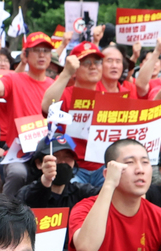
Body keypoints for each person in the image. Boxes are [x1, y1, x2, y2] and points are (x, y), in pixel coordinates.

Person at [0, 32, 56, 195]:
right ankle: (6, 210)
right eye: (37, 50)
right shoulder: (14, 79)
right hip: (18, 153)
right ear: (25, 55)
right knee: (17, 174)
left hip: (47, 152)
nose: (42, 54)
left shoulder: (54, 86)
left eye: (46, 50)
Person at [41, 41, 117, 189]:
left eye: (97, 62)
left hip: (104, 168)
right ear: (75, 69)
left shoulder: (109, 96)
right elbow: (46, 107)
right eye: (86, 62)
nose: (93, 66)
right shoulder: (65, 94)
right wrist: (66, 72)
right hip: (72, 168)